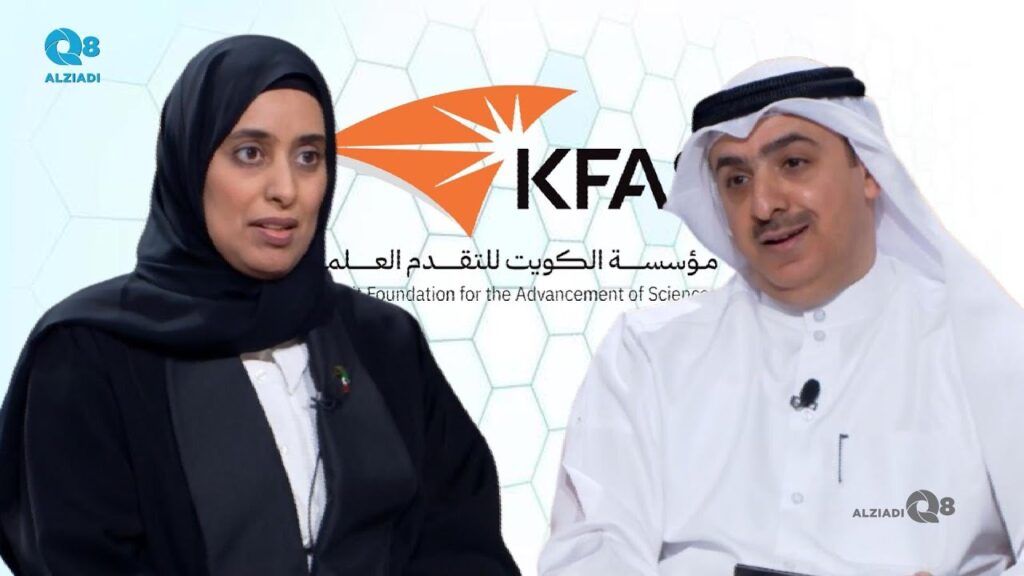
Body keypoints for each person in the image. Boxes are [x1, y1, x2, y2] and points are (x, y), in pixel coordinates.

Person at [0, 35, 519, 576]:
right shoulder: (89, 352)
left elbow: (462, 539)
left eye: (308, 157)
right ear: (189, 162)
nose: (285, 189)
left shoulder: (383, 341)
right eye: (250, 153)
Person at [537, 58, 1024, 575]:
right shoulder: (648, 355)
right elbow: (590, 553)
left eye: (793, 163)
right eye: (737, 180)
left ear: (868, 171)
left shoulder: (982, 346)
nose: (764, 204)